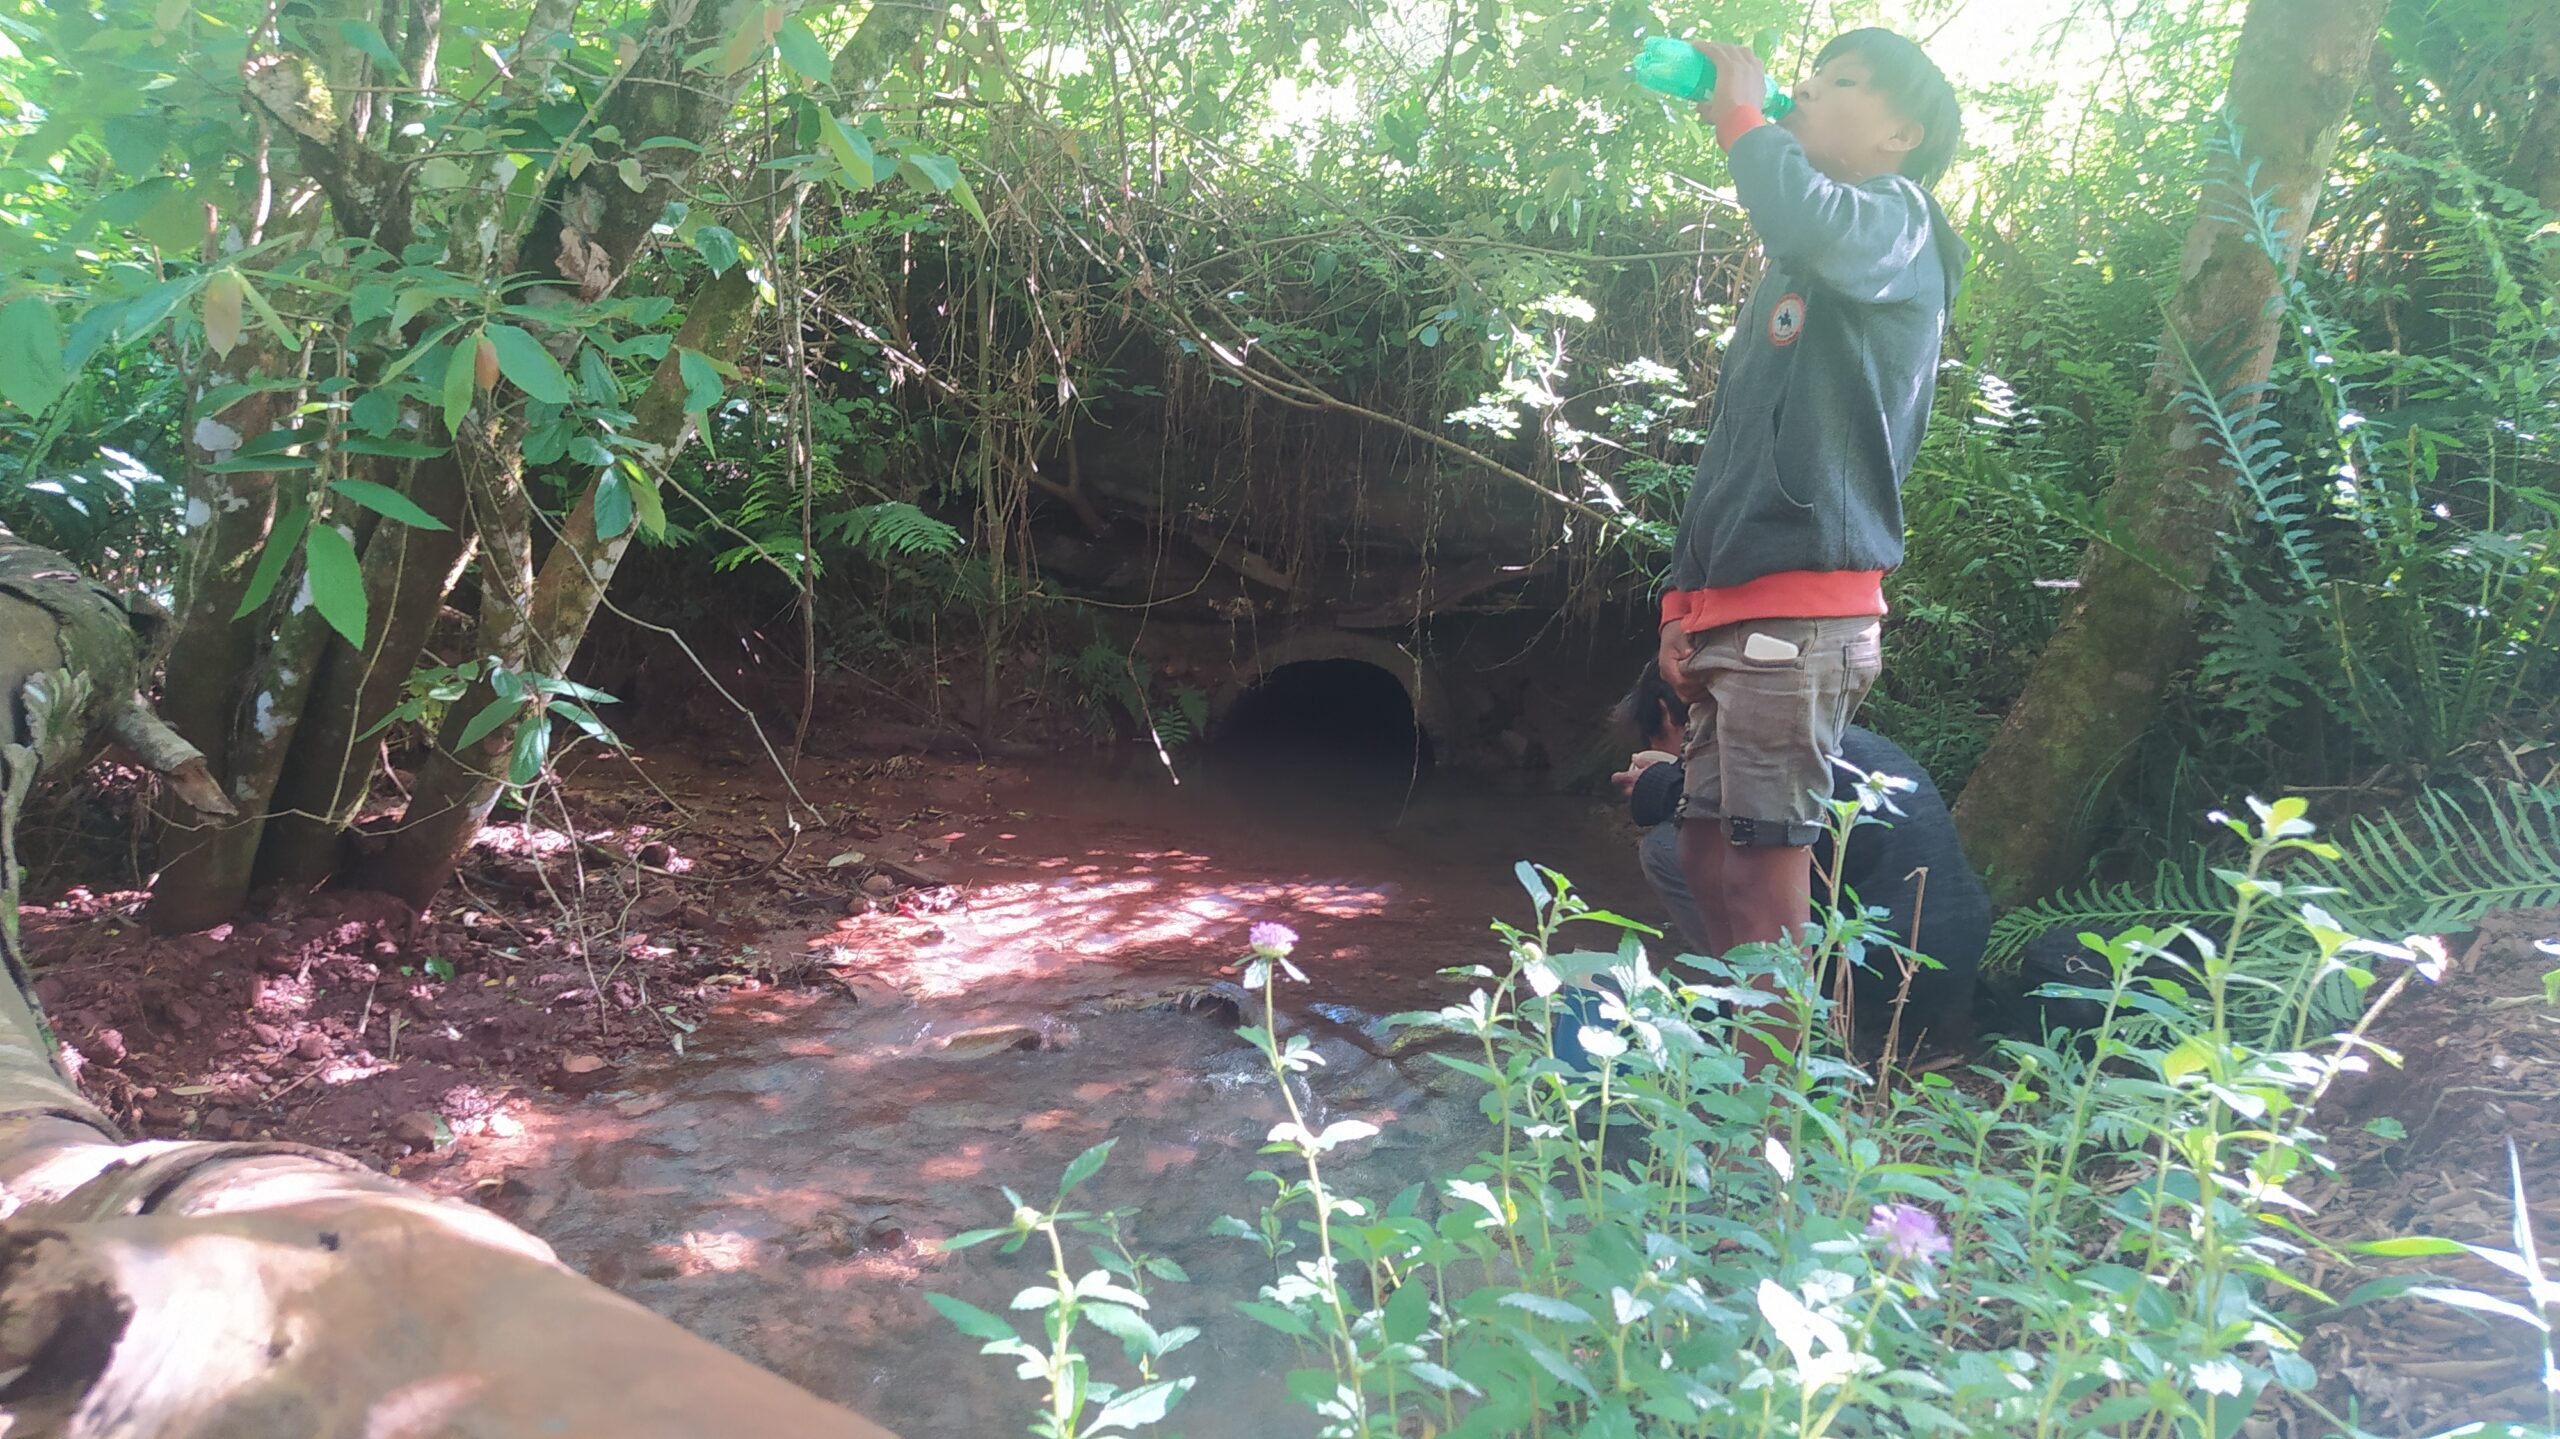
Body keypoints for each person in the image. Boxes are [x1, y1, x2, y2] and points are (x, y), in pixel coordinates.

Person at [1652, 30, 1966, 1074]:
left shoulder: (1895, 223)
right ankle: (1748, 1066)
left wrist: (1743, 115)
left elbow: (1798, 206)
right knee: (1703, 855)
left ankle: (1773, 1122)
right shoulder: (1800, 269)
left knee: (1766, 873)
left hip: (1804, 615)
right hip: (1731, 609)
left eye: (1838, 87)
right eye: (1807, 81)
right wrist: (1679, 601)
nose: (1806, 95)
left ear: (1899, 132)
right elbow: (1730, 455)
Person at [1612, 666, 1986, 1057]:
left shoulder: (1753, 749)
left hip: (1876, 974)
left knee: (1666, 848)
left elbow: (1721, 819)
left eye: (1658, 736)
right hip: (1945, 969)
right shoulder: (1826, 736)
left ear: (1669, 712)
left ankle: (1761, 1002)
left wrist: (1661, 783)